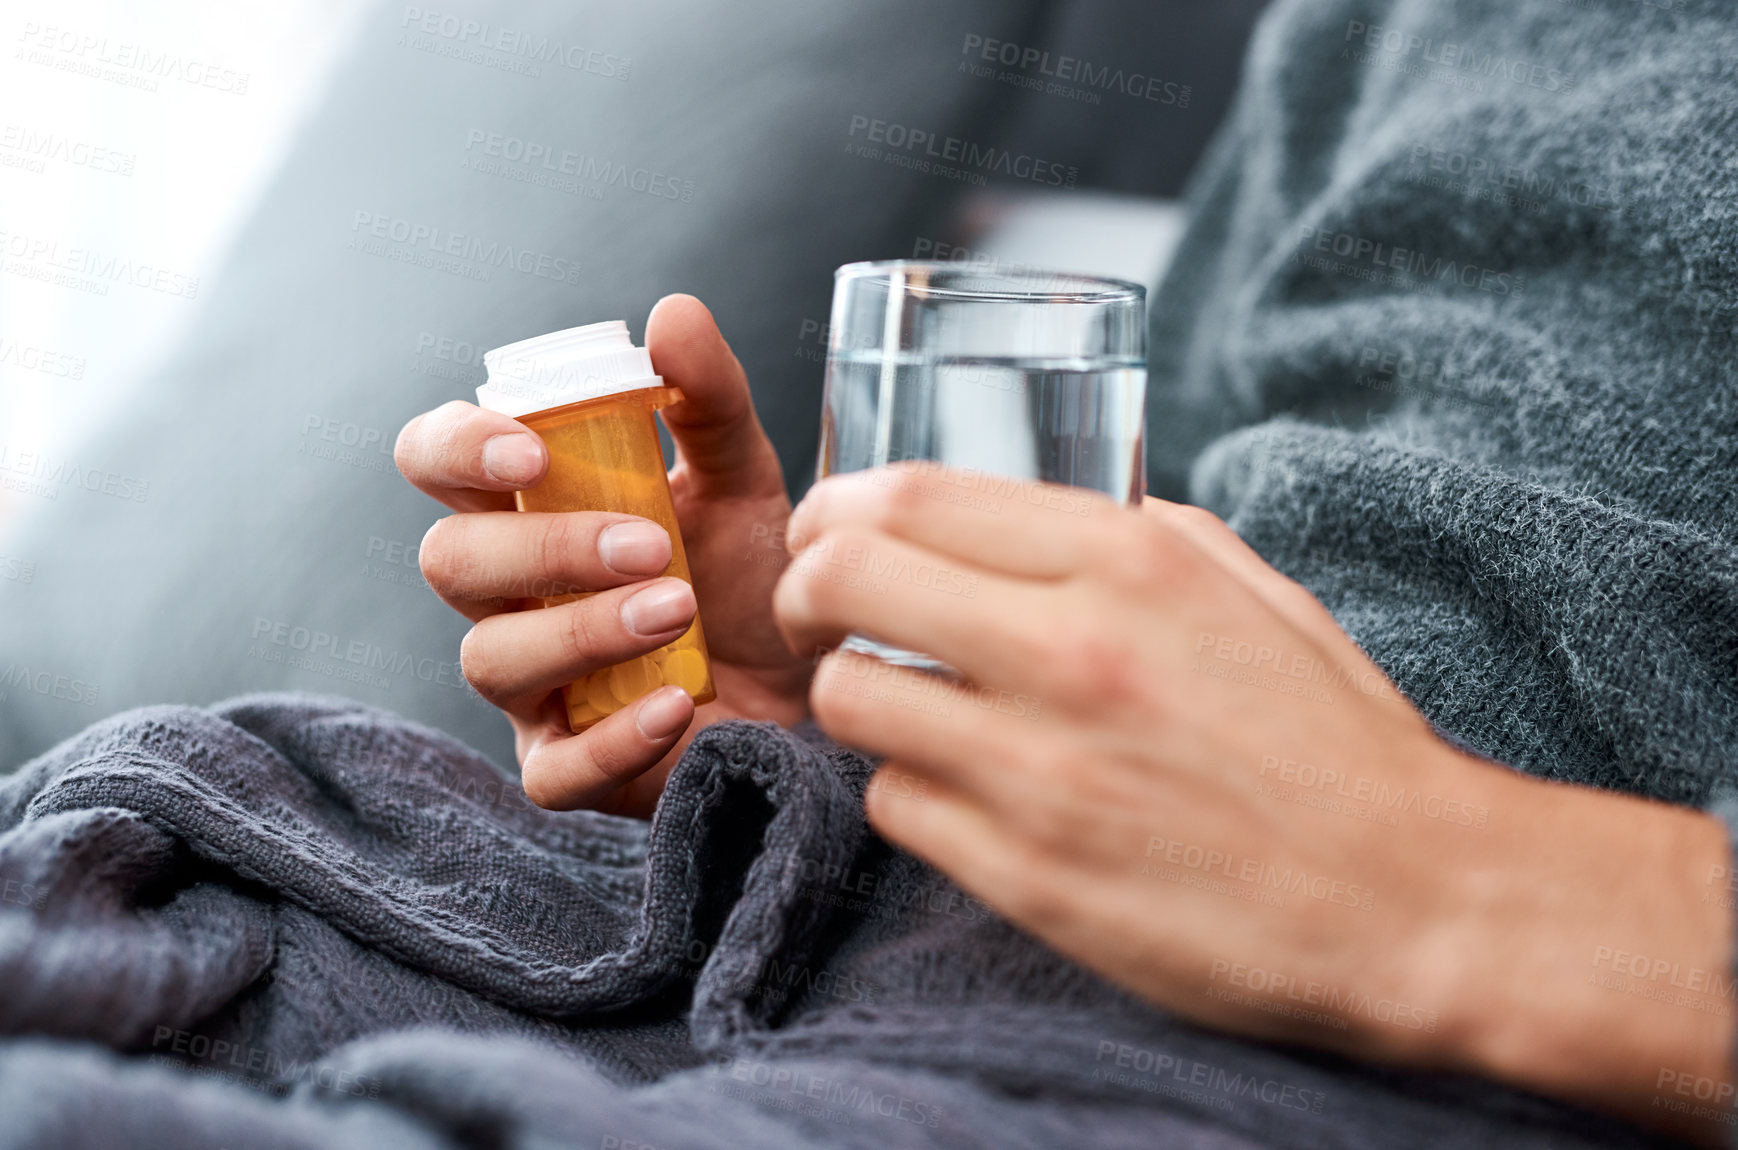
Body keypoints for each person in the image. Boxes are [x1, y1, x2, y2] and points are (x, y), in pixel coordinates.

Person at [394, 292, 1732, 1143]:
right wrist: (849, 705)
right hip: (950, 932)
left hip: (1354, 1064)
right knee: (204, 792)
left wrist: (1449, 886)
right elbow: (1163, 510)